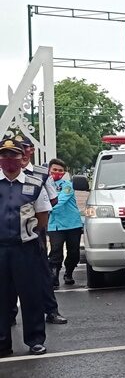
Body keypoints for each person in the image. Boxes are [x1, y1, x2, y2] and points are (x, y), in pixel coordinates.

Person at [0, 137, 50, 357]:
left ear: (22, 159)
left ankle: (35, 339)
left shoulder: (33, 183)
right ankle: (2, 343)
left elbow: (43, 214)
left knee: (31, 295)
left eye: (14, 155)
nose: (9, 159)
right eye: (4, 155)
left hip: (25, 248)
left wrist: (29, 232)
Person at [16, 136, 66, 325]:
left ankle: (51, 310)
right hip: (8, 231)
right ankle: (10, 314)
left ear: (31, 150)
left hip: (34, 230)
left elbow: (52, 200)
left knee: (42, 271)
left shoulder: (41, 174)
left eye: (26, 148)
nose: (24, 152)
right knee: (8, 275)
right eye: (20, 149)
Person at [46, 158, 83, 287]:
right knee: (55, 251)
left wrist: (45, 208)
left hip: (72, 224)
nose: (57, 172)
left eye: (60, 170)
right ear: (49, 170)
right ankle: (54, 277)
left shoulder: (67, 185)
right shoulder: (44, 185)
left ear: (64, 172)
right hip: (54, 225)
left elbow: (59, 201)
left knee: (73, 252)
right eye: (54, 169)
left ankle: (69, 273)